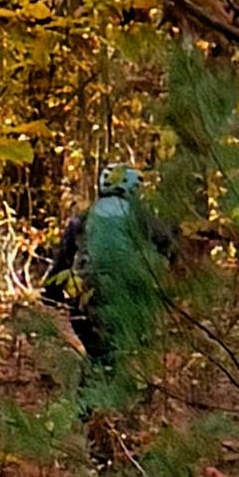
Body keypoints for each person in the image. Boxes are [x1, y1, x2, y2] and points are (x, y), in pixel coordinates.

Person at [41, 159, 171, 381]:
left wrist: (51, 294)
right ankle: (108, 404)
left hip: (86, 301)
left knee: (97, 354)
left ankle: (86, 408)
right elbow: (169, 248)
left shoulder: (82, 219)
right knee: (119, 354)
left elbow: (61, 263)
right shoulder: (142, 218)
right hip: (130, 300)